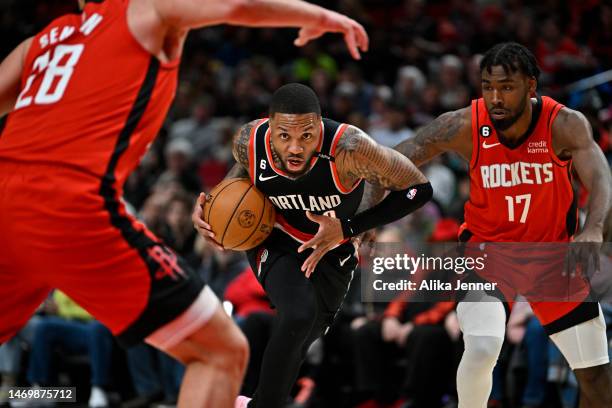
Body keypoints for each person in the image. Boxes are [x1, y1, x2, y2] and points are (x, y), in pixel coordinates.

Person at [0, 1, 369, 407]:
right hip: (65, 205)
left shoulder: (39, 44)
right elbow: (237, 4)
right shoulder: (142, 12)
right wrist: (319, 16)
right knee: (219, 351)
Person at [393, 42, 612, 407]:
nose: (495, 97)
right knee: (482, 346)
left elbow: (601, 176)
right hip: (488, 255)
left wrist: (592, 228)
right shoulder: (464, 124)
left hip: (552, 258)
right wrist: (361, 214)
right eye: (488, 86)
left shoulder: (564, 124)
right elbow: (403, 154)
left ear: (530, 86)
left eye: (506, 87)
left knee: (596, 375)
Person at [192, 83, 432, 408]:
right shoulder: (249, 140)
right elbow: (244, 172)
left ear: (319, 126)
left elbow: (419, 189)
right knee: (297, 315)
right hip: (275, 235)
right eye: (284, 136)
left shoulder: (350, 148)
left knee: (303, 338)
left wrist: (348, 228)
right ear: (270, 127)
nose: (294, 148)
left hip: (334, 249)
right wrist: (212, 207)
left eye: (306, 136)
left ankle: (251, 404)